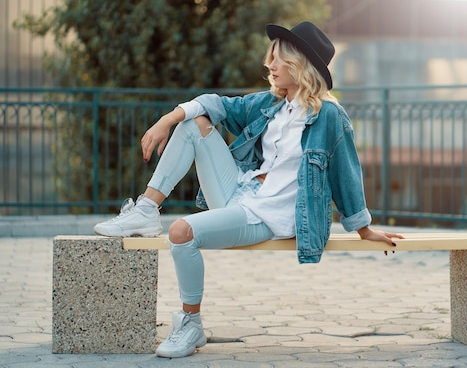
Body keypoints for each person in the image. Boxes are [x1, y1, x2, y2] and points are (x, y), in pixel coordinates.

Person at [93, 21, 404, 358]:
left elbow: (347, 172)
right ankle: (146, 210)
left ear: (301, 65)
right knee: (193, 122)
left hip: (271, 214)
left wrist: (363, 228)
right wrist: (165, 120)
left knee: (182, 232)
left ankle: (189, 323)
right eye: (270, 58)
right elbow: (214, 104)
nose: (269, 65)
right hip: (240, 195)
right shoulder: (271, 105)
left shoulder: (329, 115)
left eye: (278, 59)